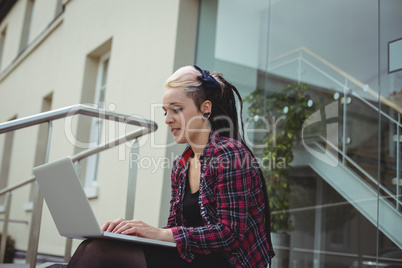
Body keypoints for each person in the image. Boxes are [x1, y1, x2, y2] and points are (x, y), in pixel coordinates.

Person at [67, 66, 275, 268]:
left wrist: (158, 233)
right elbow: (177, 228)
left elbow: (229, 234)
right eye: (165, 111)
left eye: (177, 109)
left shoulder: (229, 154)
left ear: (205, 108)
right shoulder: (181, 165)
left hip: (228, 262)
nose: (167, 120)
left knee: (100, 253)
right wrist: (137, 233)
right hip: (193, 257)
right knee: (95, 245)